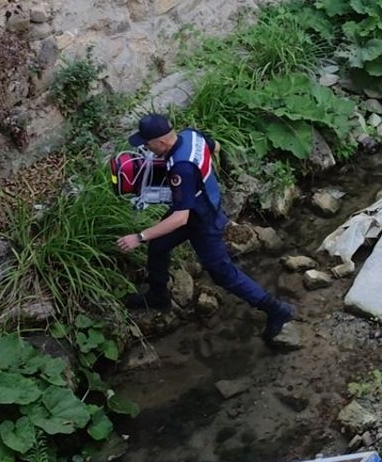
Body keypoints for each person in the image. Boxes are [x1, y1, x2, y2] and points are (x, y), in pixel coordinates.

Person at [114, 113, 295, 342]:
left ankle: (277, 310)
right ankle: (158, 295)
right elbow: (215, 147)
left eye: (147, 144)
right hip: (198, 205)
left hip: (202, 220)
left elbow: (180, 218)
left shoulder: (181, 168)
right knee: (159, 245)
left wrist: (139, 237)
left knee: (223, 274)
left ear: (161, 142)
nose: (147, 149)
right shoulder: (191, 135)